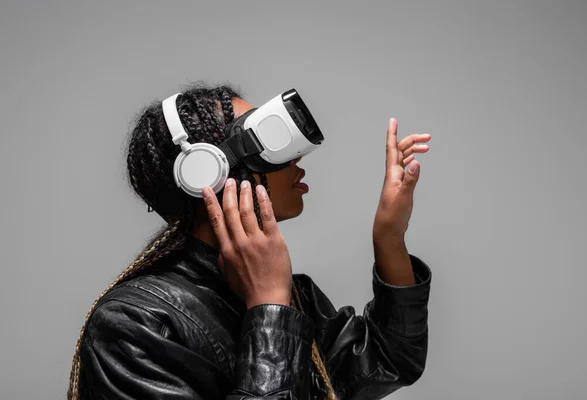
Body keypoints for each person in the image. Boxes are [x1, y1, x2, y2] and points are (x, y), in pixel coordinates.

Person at [67, 83, 433, 400]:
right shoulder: (135, 323)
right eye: (266, 142)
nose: (298, 158)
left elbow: (390, 360)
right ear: (206, 172)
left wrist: (389, 236)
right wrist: (270, 307)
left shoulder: (294, 297)